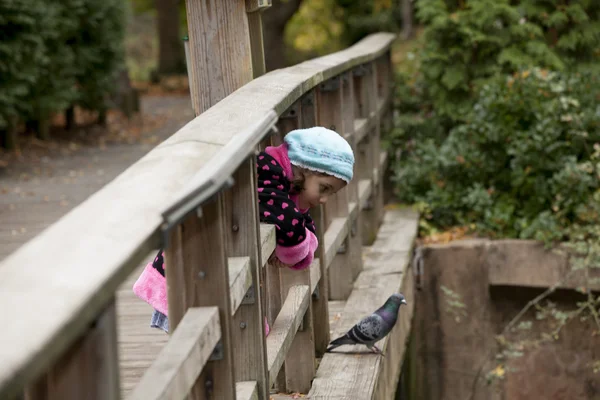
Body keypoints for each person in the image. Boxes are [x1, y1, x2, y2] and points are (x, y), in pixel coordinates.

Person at [133, 126, 355, 334]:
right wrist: (294, 253)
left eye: (331, 193)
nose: (324, 199)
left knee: (238, 337)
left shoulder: (284, 182)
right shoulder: (267, 173)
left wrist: (301, 249)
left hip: (214, 268)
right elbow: (289, 226)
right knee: (209, 343)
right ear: (303, 169)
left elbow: (300, 223)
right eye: (323, 188)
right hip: (193, 268)